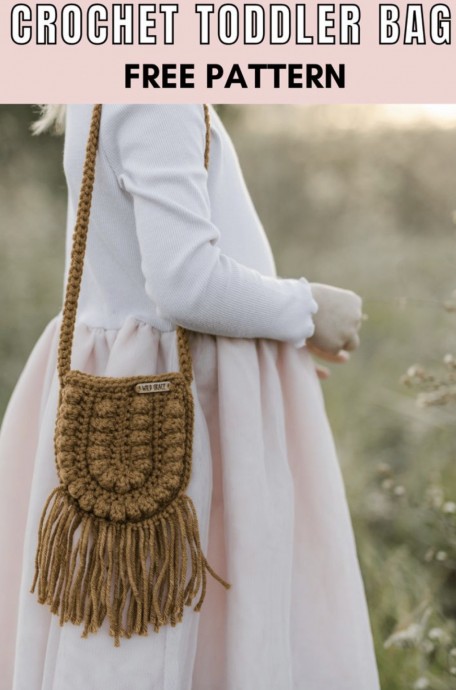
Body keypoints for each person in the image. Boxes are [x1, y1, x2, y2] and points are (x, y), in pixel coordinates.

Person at [0, 104, 380, 690]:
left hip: (152, 378)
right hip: (181, 415)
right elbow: (185, 282)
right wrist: (308, 309)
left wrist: (265, 349)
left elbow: (126, 268)